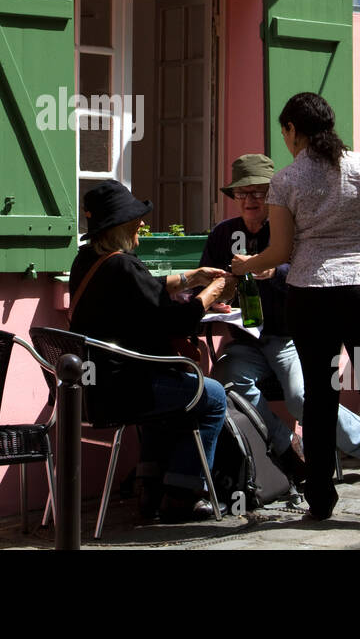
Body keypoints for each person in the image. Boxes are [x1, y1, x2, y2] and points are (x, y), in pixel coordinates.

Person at [232, 93, 360, 524]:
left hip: (311, 295)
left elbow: (281, 251)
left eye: (285, 132)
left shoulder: (286, 180)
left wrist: (247, 264)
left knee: (319, 396)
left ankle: (320, 501)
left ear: (293, 130)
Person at [200, 154, 360, 487]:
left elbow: (317, 275)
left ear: (272, 194)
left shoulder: (295, 230)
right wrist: (218, 297)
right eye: (242, 193)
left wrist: (275, 271)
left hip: (293, 338)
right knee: (225, 384)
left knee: (301, 398)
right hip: (247, 340)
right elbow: (211, 280)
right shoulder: (224, 234)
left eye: (258, 192)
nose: (250, 200)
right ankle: (288, 448)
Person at [68, 180, 233, 522]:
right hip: (124, 391)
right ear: (119, 226)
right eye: (135, 219)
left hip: (91, 390)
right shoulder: (124, 266)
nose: (142, 223)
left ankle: (150, 489)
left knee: (167, 393)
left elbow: (146, 289)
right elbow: (178, 322)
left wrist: (191, 278)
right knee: (213, 395)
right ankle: (183, 494)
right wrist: (213, 292)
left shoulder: (86, 260)